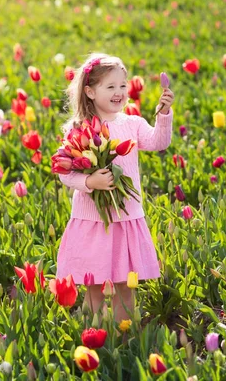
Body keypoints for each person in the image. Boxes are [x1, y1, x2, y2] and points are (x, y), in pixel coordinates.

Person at [56, 52, 174, 323]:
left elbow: (159, 142)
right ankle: (92, 333)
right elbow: (65, 172)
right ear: (90, 91)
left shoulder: (132, 123)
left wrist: (164, 114)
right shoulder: (79, 128)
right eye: (110, 87)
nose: (119, 92)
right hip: (93, 220)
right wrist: (90, 182)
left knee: (125, 284)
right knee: (93, 284)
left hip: (125, 217)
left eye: (123, 86)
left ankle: (125, 336)